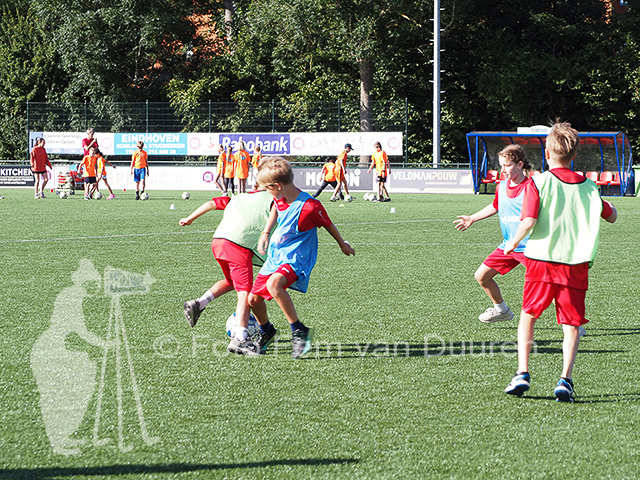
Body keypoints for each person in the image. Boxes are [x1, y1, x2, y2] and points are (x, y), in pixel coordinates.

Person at [503, 121, 617, 403]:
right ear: (574, 155)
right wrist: (609, 207)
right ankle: (565, 379)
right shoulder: (590, 187)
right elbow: (611, 215)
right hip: (575, 263)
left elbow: (529, 220)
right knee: (571, 323)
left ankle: (522, 372)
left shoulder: (539, 182)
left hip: (541, 260)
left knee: (529, 315)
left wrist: (513, 243)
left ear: (547, 153)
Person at [248, 157, 356, 358]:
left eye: (266, 188)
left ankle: (299, 330)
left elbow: (328, 224)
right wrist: (265, 232)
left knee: (274, 285)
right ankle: (267, 331)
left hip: (296, 258)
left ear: (277, 186)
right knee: (253, 300)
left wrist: (342, 244)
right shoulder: (279, 197)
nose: (266, 192)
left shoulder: (310, 206)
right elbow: (275, 208)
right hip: (275, 256)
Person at [180, 187, 274, 355]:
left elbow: (211, 203)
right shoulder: (271, 200)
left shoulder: (239, 197)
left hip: (218, 241)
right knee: (244, 293)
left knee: (232, 282)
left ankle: (199, 303)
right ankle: (241, 338)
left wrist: (189, 218)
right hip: (239, 245)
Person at [454, 144, 532, 323]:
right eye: (501, 165)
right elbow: (496, 206)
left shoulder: (532, 187)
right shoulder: (502, 186)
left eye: (507, 165)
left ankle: (572, 324)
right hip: (508, 245)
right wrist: (472, 218)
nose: (503, 170)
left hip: (530, 247)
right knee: (481, 276)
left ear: (520, 164)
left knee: (548, 287)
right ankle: (501, 310)